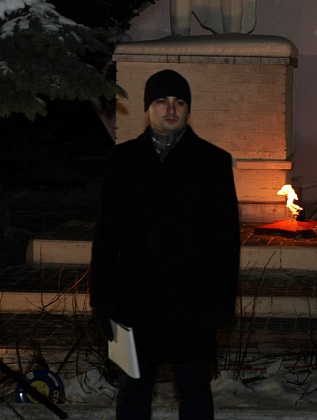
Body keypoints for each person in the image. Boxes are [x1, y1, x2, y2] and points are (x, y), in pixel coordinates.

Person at [89, 69, 240, 420]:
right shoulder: (123, 160)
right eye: (161, 101)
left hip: (192, 305)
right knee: (133, 391)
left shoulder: (213, 162)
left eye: (179, 102)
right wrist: (102, 298)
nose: (170, 109)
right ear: (148, 107)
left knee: (194, 389)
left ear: (188, 109)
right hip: (133, 303)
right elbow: (106, 236)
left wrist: (220, 303)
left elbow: (226, 241)